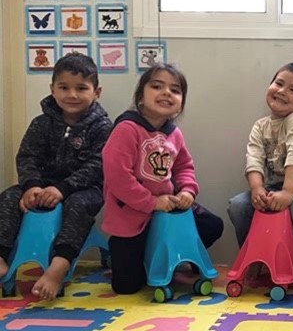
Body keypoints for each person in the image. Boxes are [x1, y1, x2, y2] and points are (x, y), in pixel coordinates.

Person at [102, 63, 223, 294]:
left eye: (175, 90)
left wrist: (187, 190)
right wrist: (151, 202)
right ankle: (132, 255)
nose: (166, 93)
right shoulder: (127, 129)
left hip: (168, 209)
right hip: (133, 214)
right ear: (140, 97)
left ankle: (170, 256)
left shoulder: (174, 134)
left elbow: (184, 166)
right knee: (126, 286)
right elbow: (118, 177)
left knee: (212, 225)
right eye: (157, 86)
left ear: (180, 104)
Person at [0, 53, 112, 300]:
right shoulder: (41, 123)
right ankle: (1, 255)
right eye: (64, 87)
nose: (72, 95)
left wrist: (63, 189)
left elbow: (98, 165)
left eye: (81, 88)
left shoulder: (103, 127)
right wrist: (31, 186)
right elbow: (27, 156)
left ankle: (58, 266)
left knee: (77, 205)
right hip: (42, 185)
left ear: (96, 92)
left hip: (86, 190)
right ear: (52, 89)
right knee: (8, 197)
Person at [227, 62, 293, 295]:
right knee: (238, 205)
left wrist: (288, 192)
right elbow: (253, 158)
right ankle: (255, 259)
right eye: (279, 83)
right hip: (273, 186)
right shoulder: (260, 126)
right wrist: (256, 189)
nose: (282, 91)